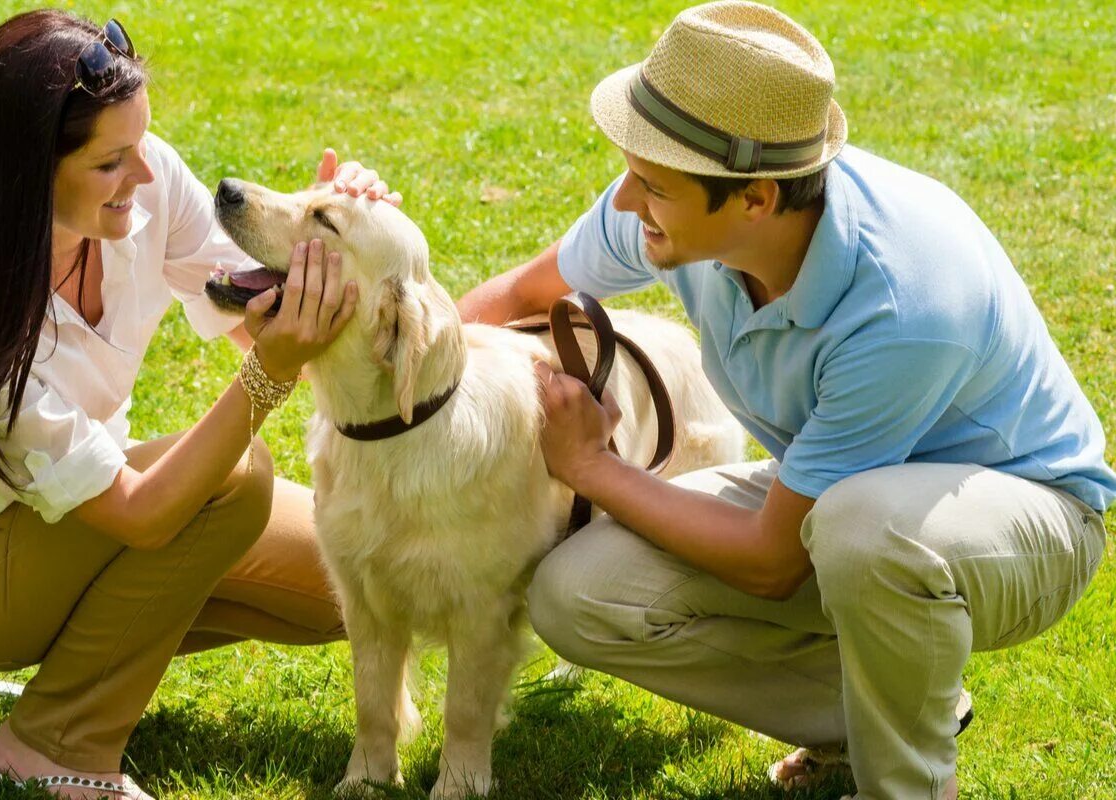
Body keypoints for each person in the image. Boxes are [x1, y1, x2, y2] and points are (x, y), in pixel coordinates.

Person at [457, 2, 1114, 799]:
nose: (626, 202)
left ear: (756, 201)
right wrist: (410, 381)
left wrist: (592, 467)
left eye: (651, 185)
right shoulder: (684, 202)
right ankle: (858, 713)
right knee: (577, 593)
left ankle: (904, 786)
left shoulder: (904, 302)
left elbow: (771, 564)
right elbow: (520, 293)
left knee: (862, 530)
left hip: (1029, 519)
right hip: (835, 490)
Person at [0, 10, 399, 798]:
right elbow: (143, 513)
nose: (144, 177)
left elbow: (262, 317)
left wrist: (333, 232)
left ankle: (98, 659)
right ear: (28, 174)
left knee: (349, 582)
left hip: (79, 524)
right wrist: (268, 380)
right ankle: (53, 744)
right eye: (112, 162)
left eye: (141, 146)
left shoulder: (142, 186)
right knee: (232, 476)